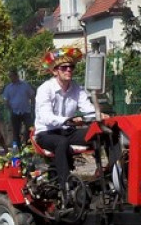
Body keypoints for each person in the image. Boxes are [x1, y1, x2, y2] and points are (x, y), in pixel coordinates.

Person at [33, 47, 96, 200]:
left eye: (71, 67)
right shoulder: (45, 89)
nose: (69, 70)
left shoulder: (76, 88)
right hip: (46, 133)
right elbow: (46, 117)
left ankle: (109, 177)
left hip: (67, 130)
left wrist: (100, 115)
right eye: (64, 67)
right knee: (62, 142)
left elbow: (88, 109)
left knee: (98, 134)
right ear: (55, 71)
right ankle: (66, 188)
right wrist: (68, 120)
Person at [1, 70, 34, 147]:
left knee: (29, 129)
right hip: (15, 112)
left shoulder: (25, 85)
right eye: (10, 76)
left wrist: (33, 106)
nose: (11, 78)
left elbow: (32, 95)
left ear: (16, 76)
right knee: (16, 131)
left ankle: (29, 146)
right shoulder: (8, 88)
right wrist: (10, 109)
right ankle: (18, 147)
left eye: (12, 76)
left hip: (26, 111)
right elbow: (6, 100)